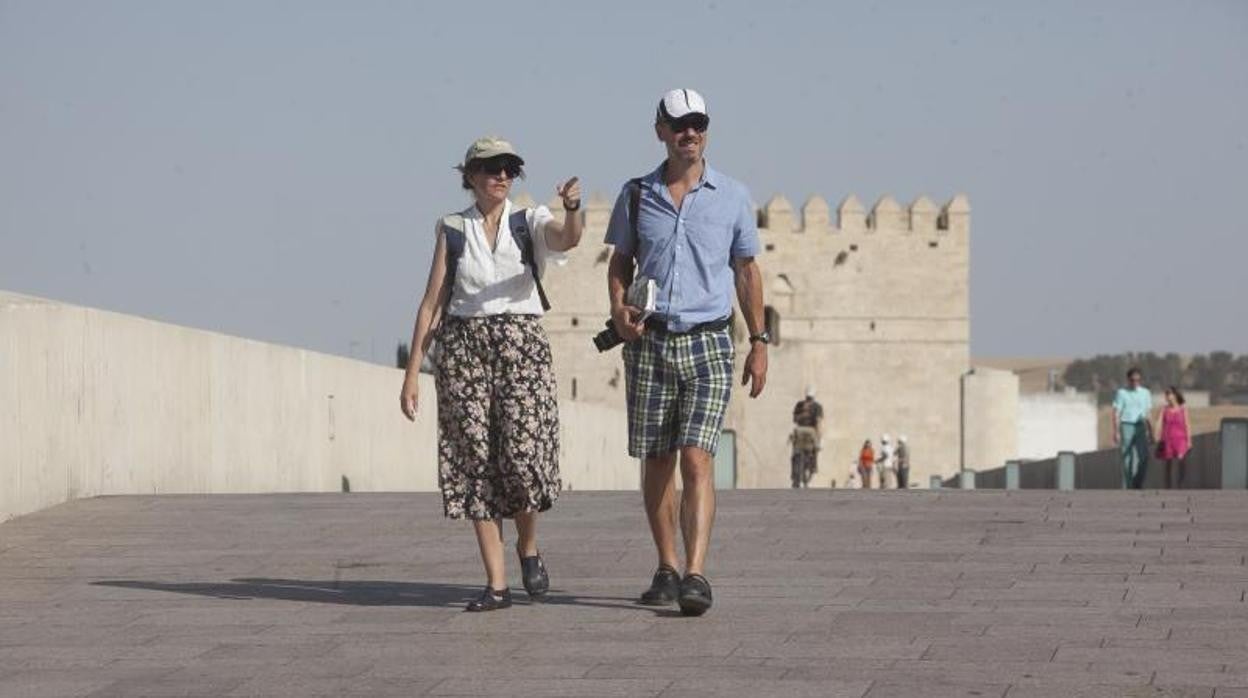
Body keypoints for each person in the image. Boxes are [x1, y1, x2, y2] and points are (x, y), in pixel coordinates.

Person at [399, 136, 583, 612]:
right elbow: (431, 303)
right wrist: (412, 372)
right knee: (474, 461)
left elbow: (567, 239)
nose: (501, 176)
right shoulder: (452, 228)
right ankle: (497, 584)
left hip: (521, 346)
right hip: (464, 348)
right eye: (491, 168)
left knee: (522, 458)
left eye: (509, 169)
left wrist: (572, 209)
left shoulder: (529, 220)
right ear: (471, 176)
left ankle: (528, 547)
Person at [605, 88, 768, 617]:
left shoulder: (733, 196)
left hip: (709, 341)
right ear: (661, 131)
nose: (689, 133)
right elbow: (619, 263)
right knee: (658, 461)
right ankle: (667, 566)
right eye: (679, 125)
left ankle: (696, 574)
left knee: (697, 457)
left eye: (697, 123)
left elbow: (747, 271)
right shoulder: (637, 195)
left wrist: (759, 341)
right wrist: (618, 310)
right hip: (650, 342)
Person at [1112, 367, 1154, 490]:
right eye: (1132, 380)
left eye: (1138, 380)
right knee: (1127, 458)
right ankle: (1129, 486)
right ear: (1128, 380)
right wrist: (1116, 431)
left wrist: (1151, 432)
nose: (1135, 382)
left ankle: (1137, 482)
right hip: (1126, 425)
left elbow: (1148, 413)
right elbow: (1116, 413)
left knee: (1144, 457)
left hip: (1141, 426)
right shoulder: (1121, 393)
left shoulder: (1145, 393)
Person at [1154, 386, 1192, 489]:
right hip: (1167, 439)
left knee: (1181, 461)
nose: (1167, 396)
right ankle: (1168, 487)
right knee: (1168, 464)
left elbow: (1187, 424)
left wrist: (1189, 441)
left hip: (1181, 439)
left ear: (1175, 395)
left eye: (1169, 394)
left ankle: (1180, 485)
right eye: (1166, 394)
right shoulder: (1164, 409)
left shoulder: (1183, 409)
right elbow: (1158, 422)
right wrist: (1156, 435)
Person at [790, 385, 824, 488]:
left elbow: (794, 420)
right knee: (815, 451)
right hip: (811, 432)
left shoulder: (799, 404)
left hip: (799, 431)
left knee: (795, 453)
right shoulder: (817, 406)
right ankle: (813, 468)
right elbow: (818, 423)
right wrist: (819, 439)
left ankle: (794, 477)